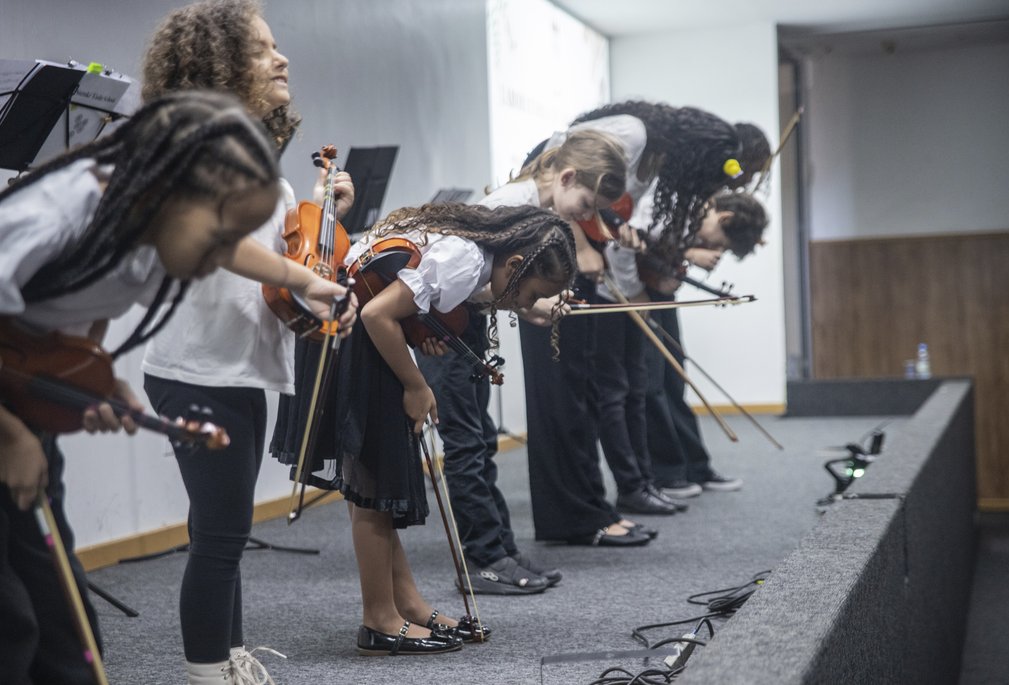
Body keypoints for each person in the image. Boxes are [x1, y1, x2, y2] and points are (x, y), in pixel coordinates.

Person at [0, 90, 293, 685]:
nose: (221, 260)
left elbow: (78, 323)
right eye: (220, 237)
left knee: (67, 631)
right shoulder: (55, 218)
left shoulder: (150, 240)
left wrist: (96, 382)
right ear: (173, 191)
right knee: (14, 626)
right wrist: (10, 436)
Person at [138, 3, 356, 682]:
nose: (282, 58)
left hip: (235, 366)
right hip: (196, 367)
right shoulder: (197, 146)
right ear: (218, 64)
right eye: (263, 49)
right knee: (223, 537)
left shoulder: (251, 154)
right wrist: (306, 280)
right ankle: (208, 672)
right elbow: (219, 243)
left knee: (219, 531)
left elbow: (287, 270)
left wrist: (326, 241)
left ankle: (226, 659)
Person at [273, 202, 577, 654]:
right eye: (530, 294)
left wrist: (418, 326)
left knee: (370, 486)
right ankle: (378, 619)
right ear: (514, 264)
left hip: (350, 333)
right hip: (355, 338)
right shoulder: (466, 259)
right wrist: (416, 385)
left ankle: (407, 604)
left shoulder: (472, 258)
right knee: (374, 488)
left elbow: (400, 295)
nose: (525, 305)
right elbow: (378, 315)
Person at [415, 129, 627, 594]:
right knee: (467, 443)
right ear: (567, 176)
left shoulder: (537, 209)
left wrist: (533, 306)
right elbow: (458, 275)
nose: (588, 217)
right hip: (443, 327)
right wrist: (528, 305)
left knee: (481, 439)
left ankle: (503, 550)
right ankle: (485, 558)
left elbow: (492, 286)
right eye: (587, 204)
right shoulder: (514, 204)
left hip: (462, 322)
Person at [524, 101, 746, 540]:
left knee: (585, 390)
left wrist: (614, 261)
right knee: (565, 394)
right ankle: (573, 518)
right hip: (549, 245)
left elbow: (610, 224)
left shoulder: (651, 155)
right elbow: (551, 171)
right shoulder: (631, 134)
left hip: (576, 254)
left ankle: (593, 509)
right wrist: (580, 244)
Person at [644, 191, 770, 497]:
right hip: (640, 296)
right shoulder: (673, 203)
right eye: (719, 244)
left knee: (674, 381)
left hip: (660, 295)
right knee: (651, 386)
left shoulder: (693, 213)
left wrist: (680, 260)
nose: (713, 249)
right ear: (724, 218)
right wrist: (687, 253)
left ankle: (695, 468)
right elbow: (635, 237)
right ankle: (667, 474)